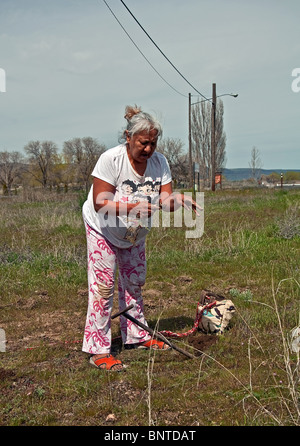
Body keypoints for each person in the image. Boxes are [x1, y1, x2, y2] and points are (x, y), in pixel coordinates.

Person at [82, 105, 200, 371]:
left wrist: (177, 200)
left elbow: (165, 201)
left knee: (134, 282)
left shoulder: (160, 163)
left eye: (153, 143)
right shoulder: (111, 160)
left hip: (133, 232)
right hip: (103, 227)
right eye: (143, 143)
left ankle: (136, 336)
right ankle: (98, 349)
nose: (148, 149)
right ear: (128, 137)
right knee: (103, 288)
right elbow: (101, 203)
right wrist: (131, 207)